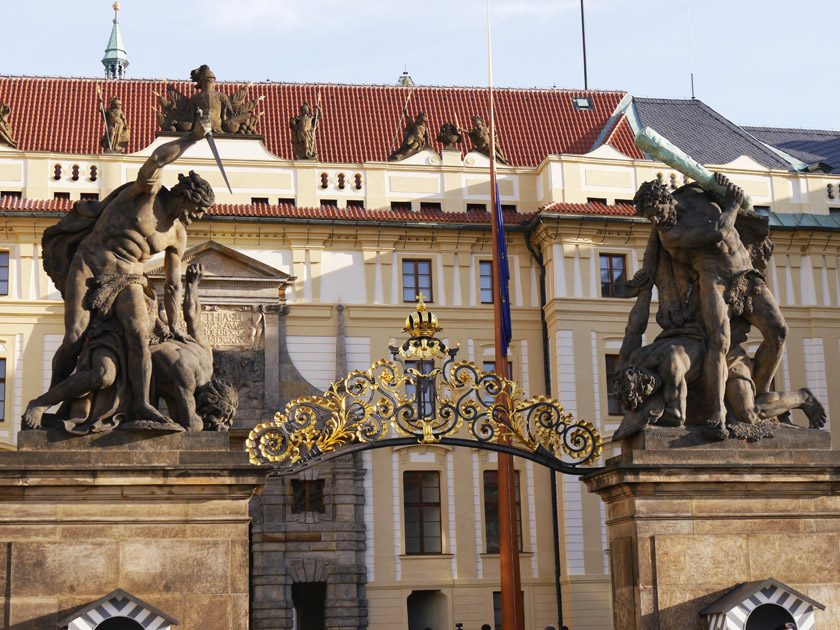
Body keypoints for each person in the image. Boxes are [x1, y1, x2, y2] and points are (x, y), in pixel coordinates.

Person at [39, 112, 215, 427]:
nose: (199, 216)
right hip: (92, 264)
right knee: (74, 336)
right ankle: (54, 398)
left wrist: (174, 326)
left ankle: (145, 405)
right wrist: (191, 138)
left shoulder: (177, 234)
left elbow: (173, 286)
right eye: (199, 210)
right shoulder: (147, 193)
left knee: (138, 333)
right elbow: (157, 159)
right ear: (187, 199)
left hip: (130, 278)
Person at [633, 173, 788, 436]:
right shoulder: (670, 234)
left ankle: (759, 391)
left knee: (779, 333)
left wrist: (723, 189)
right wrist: (733, 204)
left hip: (746, 275)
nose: (656, 220)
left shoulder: (694, 194)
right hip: (714, 280)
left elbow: (729, 205)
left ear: (666, 199)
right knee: (719, 341)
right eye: (649, 218)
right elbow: (718, 232)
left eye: (656, 211)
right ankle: (718, 410)